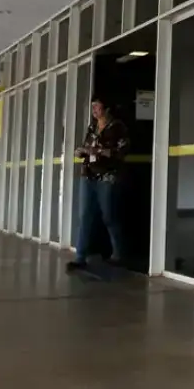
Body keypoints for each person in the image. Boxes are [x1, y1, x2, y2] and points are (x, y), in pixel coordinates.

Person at [67, 97, 129, 271]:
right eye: (93, 107)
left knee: (109, 215)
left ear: (107, 109)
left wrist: (100, 151)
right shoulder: (92, 127)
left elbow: (122, 151)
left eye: (97, 107)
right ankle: (80, 257)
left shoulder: (117, 127)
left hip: (107, 176)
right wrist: (82, 151)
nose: (94, 110)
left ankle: (118, 253)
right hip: (88, 175)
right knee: (85, 215)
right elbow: (87, 146)